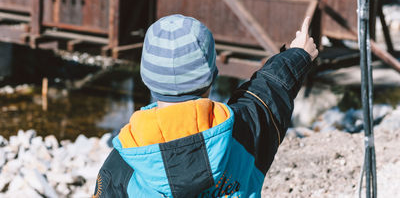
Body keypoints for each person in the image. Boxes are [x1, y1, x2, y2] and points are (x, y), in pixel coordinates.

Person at [93, 14, 318, 198]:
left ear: (148, 80)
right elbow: (267, 92)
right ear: (212, 76)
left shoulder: (123, 163)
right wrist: (298, 55)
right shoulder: (243, 133)